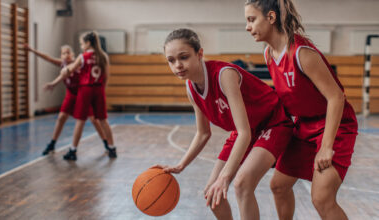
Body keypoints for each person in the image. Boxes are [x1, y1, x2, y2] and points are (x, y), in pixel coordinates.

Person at [153, 28, 293, 220]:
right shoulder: (191, 88)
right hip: (246, 129)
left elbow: (244, 133)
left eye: (183, 57)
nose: (178, 65)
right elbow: (203, 133)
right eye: (171, 60)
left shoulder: (224, 75)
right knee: (212, 193)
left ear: (199, 53)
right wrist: (181, 165)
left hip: (273, 123)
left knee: (241, 184)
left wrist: (225, 177)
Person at [244, 1, 358, 219]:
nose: (247, 27)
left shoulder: (301, 53)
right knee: (278, 186)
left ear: (270, 17)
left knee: (322, 198)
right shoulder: (268, 54)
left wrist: (326, 147)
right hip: (302, 126)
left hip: (334, 125)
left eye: (251, 19)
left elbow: (336, 97)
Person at [25, 44, 109, 156]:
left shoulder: (78, 62)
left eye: (68, 53)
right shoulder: (62, 64)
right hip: (71, 93)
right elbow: (47, 58)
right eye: (63, 53)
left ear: (73, 54)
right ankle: (52, 143)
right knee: (61, 117)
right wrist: (32, 50)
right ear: (61, 55)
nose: (66, 55)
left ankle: (106, 142)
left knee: (94, 119)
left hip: (81, 93)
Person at [45, 31, 117, 161]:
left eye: (82, 43)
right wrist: (102, 89)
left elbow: (69, 70)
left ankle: (73, 150)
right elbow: (106, 76)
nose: (81, 46)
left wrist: (63, 71)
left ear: (88, 43)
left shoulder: (83, 56)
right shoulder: (103, 56)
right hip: (99, 89)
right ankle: (112, 148)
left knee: (81, 121)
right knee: (103, 120)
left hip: (86, 89)